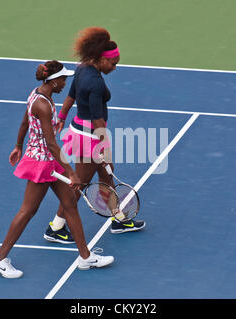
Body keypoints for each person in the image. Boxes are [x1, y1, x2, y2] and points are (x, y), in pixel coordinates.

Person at [0, 60, 114, 278]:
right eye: (63, 79)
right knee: (28, 211)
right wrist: (72, 172)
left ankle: (85, 257)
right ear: (54, 82)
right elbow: (52, 143)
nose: (66, 83)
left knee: (70, 204)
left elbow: (25, 122)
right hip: (42, 163)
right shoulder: (43, 105)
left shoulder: (38, 94)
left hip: (50, 161)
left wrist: (18, 145)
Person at [43, 27, 146, 244]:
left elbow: (71, 94)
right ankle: (56, 227)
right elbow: (99, 121)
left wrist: (61, 116)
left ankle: (118, 219)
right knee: (79, 183)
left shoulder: (83, 69)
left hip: (84, 132)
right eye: (113, 63)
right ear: (100, 59)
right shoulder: (96, 83)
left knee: (107, 177)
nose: (115, 67)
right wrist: (105, 149)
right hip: (89, 139)